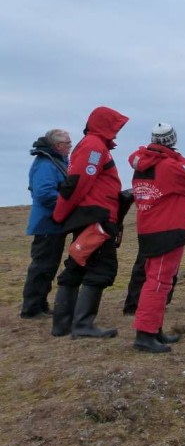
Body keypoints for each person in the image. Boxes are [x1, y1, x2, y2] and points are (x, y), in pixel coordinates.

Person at [50, 106, 129, 339]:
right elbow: (78, 182)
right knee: (101, 268)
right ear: (105, 124)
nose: (117, 131)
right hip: (98, 217)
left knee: (77, 264)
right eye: (115, 126)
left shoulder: (94, 145)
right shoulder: (94, 147)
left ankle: (62, 324)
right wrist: (59, 213)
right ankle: (82, 324)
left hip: (91, 215)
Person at [128, 123, 185, 353]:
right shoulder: (171, 166)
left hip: (150, 226)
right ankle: (145, 334)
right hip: (167, 227)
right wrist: (178, 157)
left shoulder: (143, 163)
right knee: (159, 282)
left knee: (157, 279)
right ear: (172, 141)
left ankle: (154, 328)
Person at [21, 129, 72, 318]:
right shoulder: (46, 164)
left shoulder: (54, 161)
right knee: (42, 266)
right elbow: (43, 193)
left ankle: (40, 304)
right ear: (58, 146)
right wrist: (67, 203)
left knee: (48, 266)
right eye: (68, 143)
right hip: (46, 223)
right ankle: (31, 308)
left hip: (52, 223)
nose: (70, 147)